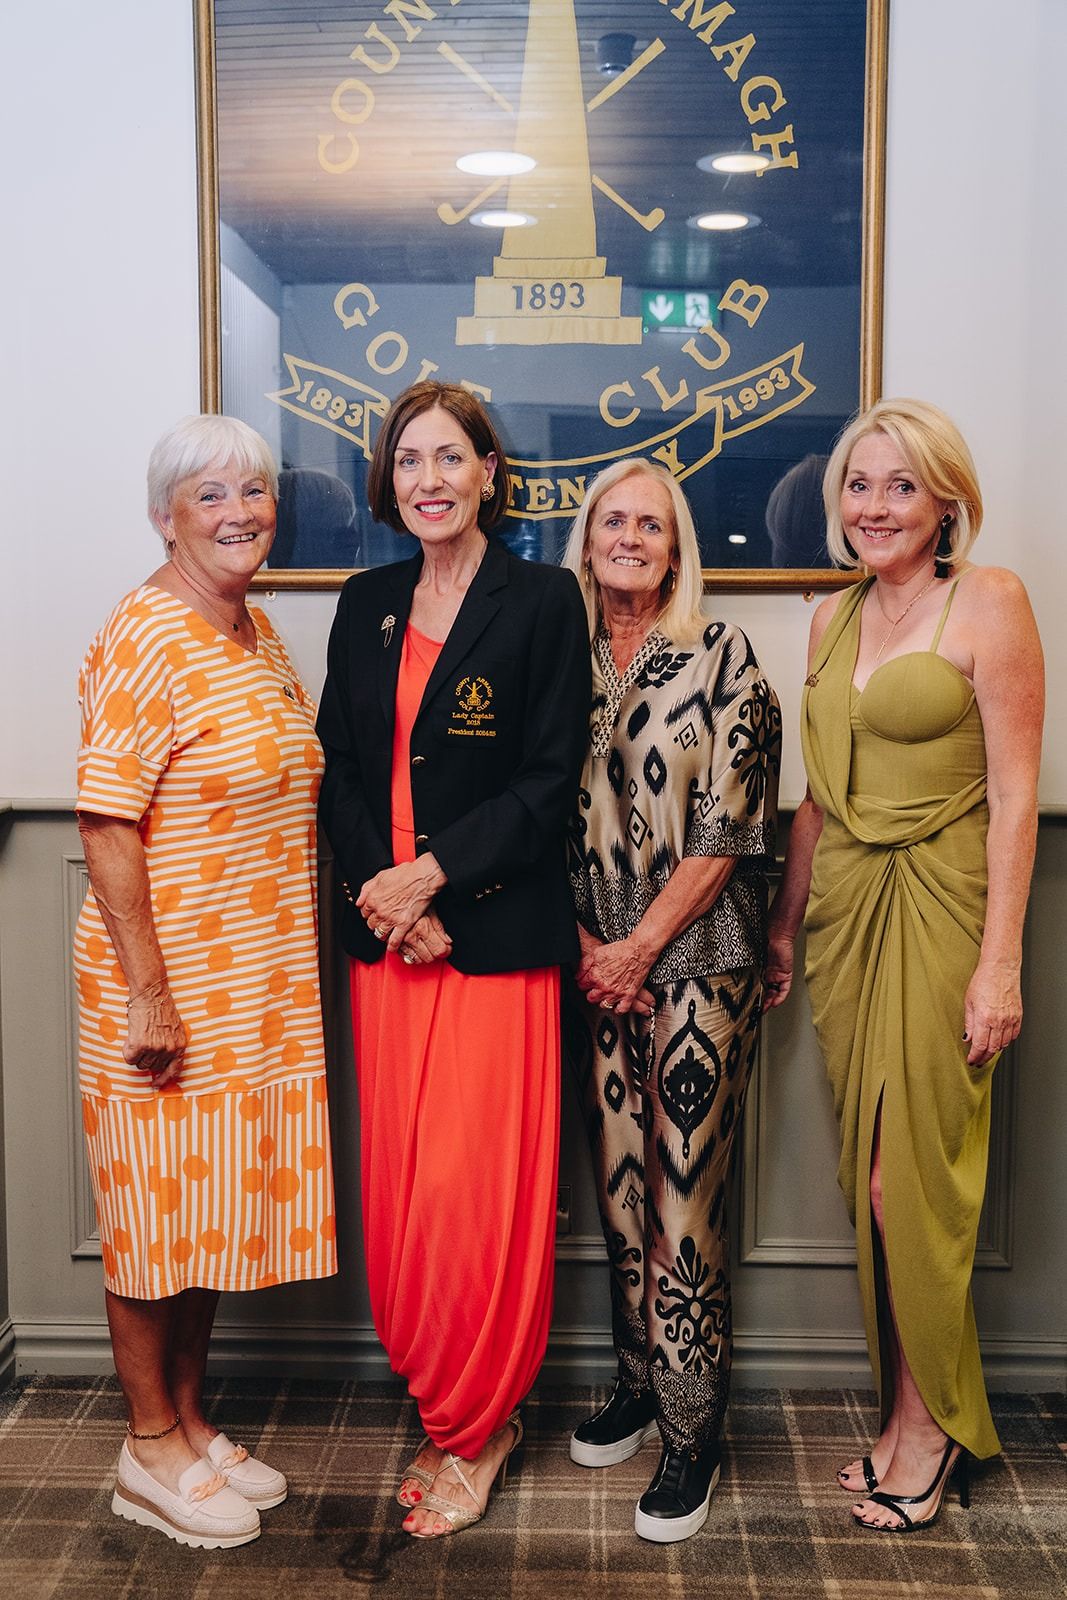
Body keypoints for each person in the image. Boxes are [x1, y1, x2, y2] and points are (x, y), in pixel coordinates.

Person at [316, 380, 590, 1538]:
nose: (427, 478)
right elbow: (335, 767)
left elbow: (547, 780)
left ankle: (479, 1425)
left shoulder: (544, 600)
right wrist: (386, 898)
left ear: (489, 472)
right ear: (389, 482)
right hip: (389, 943)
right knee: (402, 1198)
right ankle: (441, 1402)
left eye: (448, 457)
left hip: (490, 939)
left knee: (472, 1192)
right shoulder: (365, 600)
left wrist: (431, 877)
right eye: (407, 460)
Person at [764, 399, 1043, 1532]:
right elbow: (816, 799)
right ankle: (899, 1416)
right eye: (857, 484)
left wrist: (999, 966)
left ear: (944, 500)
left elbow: (1016, 798)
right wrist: (783, 925)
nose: (873, 506)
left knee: (911, 1184)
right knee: (866, 1183)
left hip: (943, 909)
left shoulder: (990, 599)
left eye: (899, 485)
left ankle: (930, 1433)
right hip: (844, 916)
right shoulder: (826, 618)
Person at [74, 414, 337, 1550]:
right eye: (210, 495)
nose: (239, 513)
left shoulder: (255, 630)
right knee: (151, 1219)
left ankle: (187, 1420)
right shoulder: (144, 630)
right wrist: (148, 989)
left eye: (254, 491)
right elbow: (105, 821)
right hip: (164, 989)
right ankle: (146, 1446)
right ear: (164, 517)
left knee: (207, 1211)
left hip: (257, 990)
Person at [561, 458, 781, 1543]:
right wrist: (594, 950)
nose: (630, 537)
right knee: (618, 1188)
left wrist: (641, 948)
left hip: (700, 954)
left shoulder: (722, 654)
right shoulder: (557, 654)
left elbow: (730, 825)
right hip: (593, 957)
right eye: (612, 519)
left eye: (650, 523)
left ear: (677, 544)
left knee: (682, 1195)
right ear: (586, 537)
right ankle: (639, 1383)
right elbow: (532, 811)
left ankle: (693, 1432)